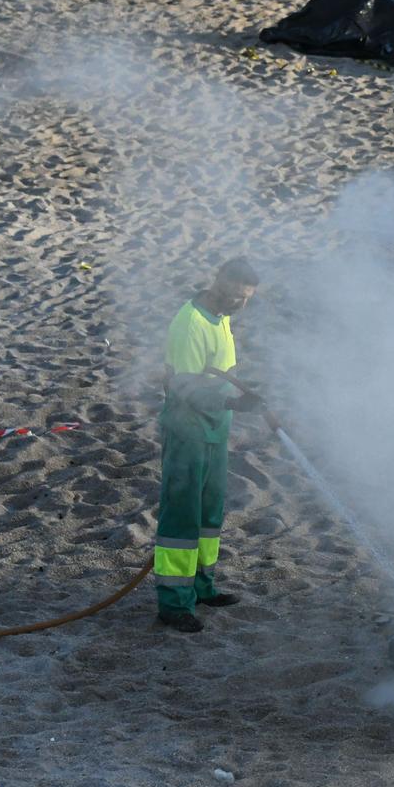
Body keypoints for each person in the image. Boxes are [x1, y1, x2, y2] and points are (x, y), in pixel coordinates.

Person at [152, 257, 268, 632]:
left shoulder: (222, 317)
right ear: (218, 280)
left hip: (215, 430)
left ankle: (202, 587)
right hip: (188, 432)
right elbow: (185, 387)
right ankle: (173, 603)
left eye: (245, 298)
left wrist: (238, 398)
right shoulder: (191, 323)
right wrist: (234, 402)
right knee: (182, 517)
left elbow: (220, 373)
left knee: (208, 515)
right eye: (233, 294)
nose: (237, 302)